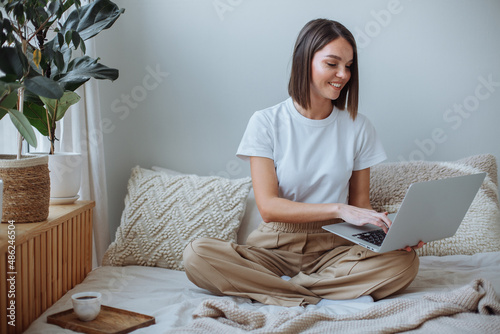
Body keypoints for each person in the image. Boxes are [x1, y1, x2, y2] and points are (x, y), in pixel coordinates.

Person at [183, 18, 422, 307]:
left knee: (405, 262)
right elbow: (269, 208)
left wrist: (391, 233)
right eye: (332, 64)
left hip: (337, 247)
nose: (343, 74)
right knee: (197, 254)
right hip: (273, 247)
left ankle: (285, 291)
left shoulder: (359, 126)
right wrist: (339, 208)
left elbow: (360, 204)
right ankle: (322, 291)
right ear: (304, 61)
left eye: (348, 66)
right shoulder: (266, 122)